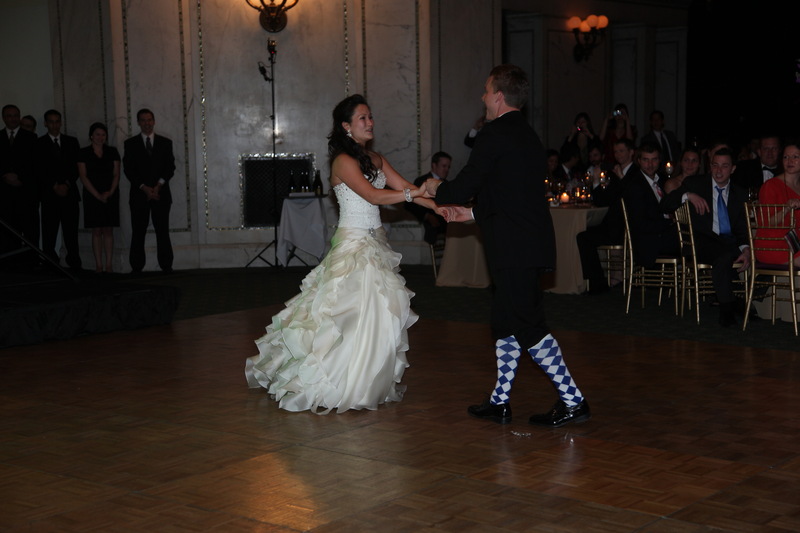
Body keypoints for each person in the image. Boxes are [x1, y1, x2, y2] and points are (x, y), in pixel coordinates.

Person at [246, 94, 442, 413]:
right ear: (346, 126)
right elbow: (374, 196)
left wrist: (436, 206)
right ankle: (332, 380)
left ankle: (364, 382)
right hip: (353, 244)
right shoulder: (342, 161)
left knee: (378, 313)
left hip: (375, 243)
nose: (370, 122)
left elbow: (403, 187)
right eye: (363, 118)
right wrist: (415, 192)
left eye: (370, 116)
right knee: (345, 314)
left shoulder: (376, 159)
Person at [424, 64, 590, 428]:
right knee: (504, 322)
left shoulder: (494, 133)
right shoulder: (528, 135)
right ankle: (500, 401)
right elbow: (509, 196)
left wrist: (438, 188)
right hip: (524, 243)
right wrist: (470, 214)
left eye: (486, 91)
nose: (482, 97)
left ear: (499, 96)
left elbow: (466, 183)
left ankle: (573, 400)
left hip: (515, 248)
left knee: (529, 325)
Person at [662, 148, 751, 327]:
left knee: (741, 253)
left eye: (724, 166)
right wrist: (687, 195)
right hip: (700, 243)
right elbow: (665, 205)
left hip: (727, 243)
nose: (718, 171)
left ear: (733, 169)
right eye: (715, 165)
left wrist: (746, 249)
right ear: (710, 166)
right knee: (725, 256)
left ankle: (737, 302)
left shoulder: (739, 193)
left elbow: (741, 229)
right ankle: (727, 309)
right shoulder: (695, 184)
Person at [576, 138, 637, 294]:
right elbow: (602, 199)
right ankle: (597, 282)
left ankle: (598, 283)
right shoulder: (613, 173)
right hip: (613, 224)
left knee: (584, 237)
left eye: (621, 151)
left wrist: (620, 178)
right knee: (583, 235)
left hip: (627, 226)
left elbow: (631, 197)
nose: (618, 155)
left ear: (631, 152)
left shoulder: (635, 172)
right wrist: (597, 182)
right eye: (616, 151)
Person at [123, 108, 175, 273]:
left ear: (154, 121)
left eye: (149, 120)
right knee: (138, 231)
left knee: (162, 231)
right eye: (143, 120)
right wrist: (144, 188)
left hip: (161, 194)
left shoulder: (165, 143)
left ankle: (166, 265)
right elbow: (129, 170)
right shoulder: (130, 144)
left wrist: (158, 186)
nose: (147, 123)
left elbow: (170, 168)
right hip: (139, 195)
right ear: (138, 122)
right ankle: (136, 266)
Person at [35, 109, 82, 269]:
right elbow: (39, 169)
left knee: (71, 232)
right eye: (51, 122)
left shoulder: (71, 142)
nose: (54, 125)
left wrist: (67, 184)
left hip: (69, 193)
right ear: (45, 123)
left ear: (61, 123)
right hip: (49, 194)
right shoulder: (39, 143)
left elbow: (76, 167)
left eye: (57, 121)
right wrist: (54, 185)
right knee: (49, 232)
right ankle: (50, 264)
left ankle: (74, 263)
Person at [622, 142, 679, 268]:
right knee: (689, 238)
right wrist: (671, 223)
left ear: (659, 161)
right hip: (649, 242)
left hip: (662, 235)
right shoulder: (635, 185)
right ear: (639, 161)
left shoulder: (662, 180)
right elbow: (640, 223)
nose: (650, 164)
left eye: (654, 160)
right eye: (646, 160)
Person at [78, 122, 120, 273]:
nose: (100, 137)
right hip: (92, 195)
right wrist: (97, 195)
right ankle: (98, 265)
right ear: (91, 136)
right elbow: (83, 177)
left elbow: (116, 174)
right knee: (96, 231)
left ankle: (108, 265)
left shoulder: (112, 151)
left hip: (110, 194)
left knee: (108, 230)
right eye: (97, 134)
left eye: (103, 135)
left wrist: (110, 192)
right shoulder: (83, 153)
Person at [0, 104, 38, 263]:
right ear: (4, 118)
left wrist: (19, 178)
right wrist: (4, 176)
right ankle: (9, 262)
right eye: (9, 116)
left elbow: (35, 165)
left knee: (29, 228)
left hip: (25, 192)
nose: (13, 119)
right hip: (3, 193)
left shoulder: (31, 138)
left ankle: (31, 261)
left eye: (16, 115)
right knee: (7, 230)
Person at [754, 140, 800, 266]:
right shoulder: (771, 185)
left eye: (795, 157)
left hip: (796, 242)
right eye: (786, 157)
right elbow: (766, 223)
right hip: (774, 244)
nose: (789, 161)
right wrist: (786, 208)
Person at [406, 151, 452, 245]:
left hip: (446, 228)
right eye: (444, 166)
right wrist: (427, 216)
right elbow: (409, 204)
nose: (446, 170)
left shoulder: (447, 184)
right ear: (434, 165)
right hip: (430, 228)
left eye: (448, 167)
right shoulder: (422, 181)